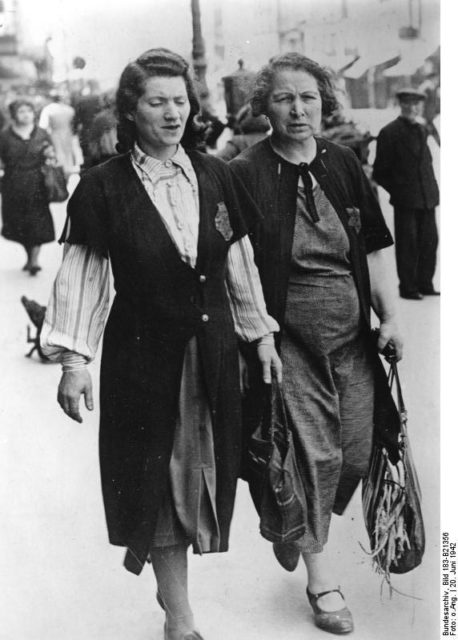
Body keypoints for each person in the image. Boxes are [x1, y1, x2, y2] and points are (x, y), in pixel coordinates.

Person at [40, 48, 281, 640]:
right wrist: (74, 361)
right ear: (131, 110)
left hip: (216, 353)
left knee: (207, 472)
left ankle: (194, 579)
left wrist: (261, 334)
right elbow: (85, 276)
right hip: (144, 359)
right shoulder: (103, 188)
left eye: (180, 101)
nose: (173, 113)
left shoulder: (217, 174)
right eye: (157, 102)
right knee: (161, 479)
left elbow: (238, 263)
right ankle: (181, 615)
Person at [230, 52, 403, 635]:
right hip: (288, 343)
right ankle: (320, 577)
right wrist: (259, 337)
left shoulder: (345, 162)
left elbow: (376, 246)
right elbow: (239, 266)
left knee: (355, 452)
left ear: (323, 101)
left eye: (307, 96)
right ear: (266, 107)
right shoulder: (246, 171)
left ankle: (292, 521)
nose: (298, 108)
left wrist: (392, 317)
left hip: (353, 341)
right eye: (284, 98)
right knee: (312, 458)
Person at [373, 87, 440, 300]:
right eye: (408, 104)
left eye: (416, 104)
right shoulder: (389, 132)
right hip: (406, 201)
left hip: (427, 197)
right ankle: (408, 288)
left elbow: (426, 163)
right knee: (408, 245)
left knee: (430, 242)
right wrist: (401, 192)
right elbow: (380, 172)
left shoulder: (422, 130)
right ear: (401, 105)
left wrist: (431, 190)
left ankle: (425, 283)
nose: (413, 108)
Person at [0, 99, 55, 274]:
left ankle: (34, 260)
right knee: (18, 223)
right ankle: (29, 256)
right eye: (21, 111)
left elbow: (51, 154)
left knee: (37, 221)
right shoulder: (4, 136)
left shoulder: (42, 133)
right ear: (14, 114)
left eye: (29, 111)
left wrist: (50, 156)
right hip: (12, 185)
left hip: (37, 184)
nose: (26, 114)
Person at [39, 90, 77, 179]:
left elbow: (43, 125)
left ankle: (62, 175)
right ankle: (67, 174)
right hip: (67, 133)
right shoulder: (69, 109)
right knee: (67, 154)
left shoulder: (48, 109)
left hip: (54, 134)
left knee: (58, 154)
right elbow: (73, 122)